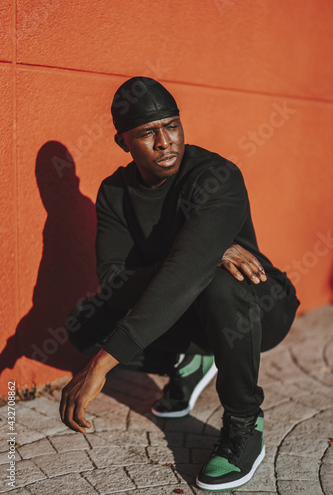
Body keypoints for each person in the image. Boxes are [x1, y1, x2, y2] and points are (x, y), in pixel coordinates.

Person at [60, 77, 300, 491]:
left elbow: (191, 269)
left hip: (258, 303)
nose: (164, 141)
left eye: (171, 125)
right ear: (123, 143)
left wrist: (104, 362)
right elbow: (113, 282)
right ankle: (192, 360)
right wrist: (205, 255)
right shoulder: (114, 193)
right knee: (85, 322)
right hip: (187, 304)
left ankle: (244, 422)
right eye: (147, 133)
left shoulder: (216, 175)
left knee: (217, 284)